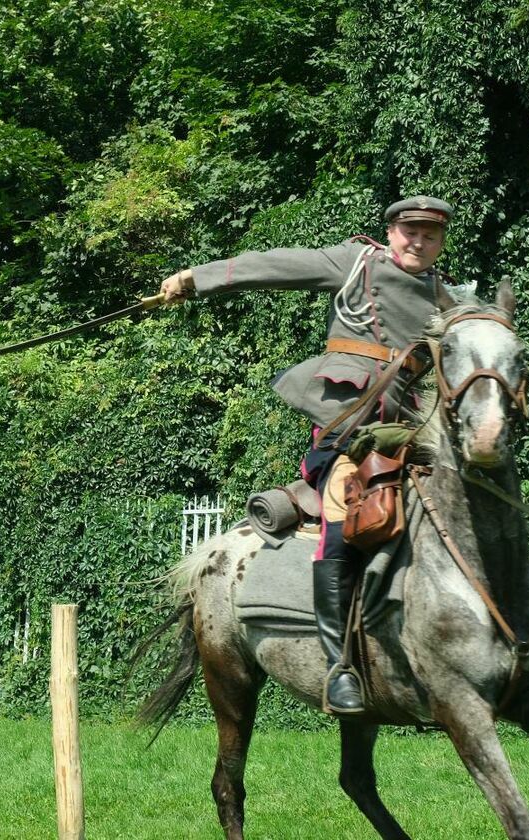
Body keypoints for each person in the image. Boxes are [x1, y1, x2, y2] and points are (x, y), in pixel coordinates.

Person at [158, 196, 455, 714]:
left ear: (440, 241)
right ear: (391, 232)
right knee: (344, 506)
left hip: (408, 429)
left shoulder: (445, 299)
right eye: (410, 231)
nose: (419, 242)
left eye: (430, 235)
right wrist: (194, 278)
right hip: (347, 420)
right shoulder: (356, 264)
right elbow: (273, 265)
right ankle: (341, 665)